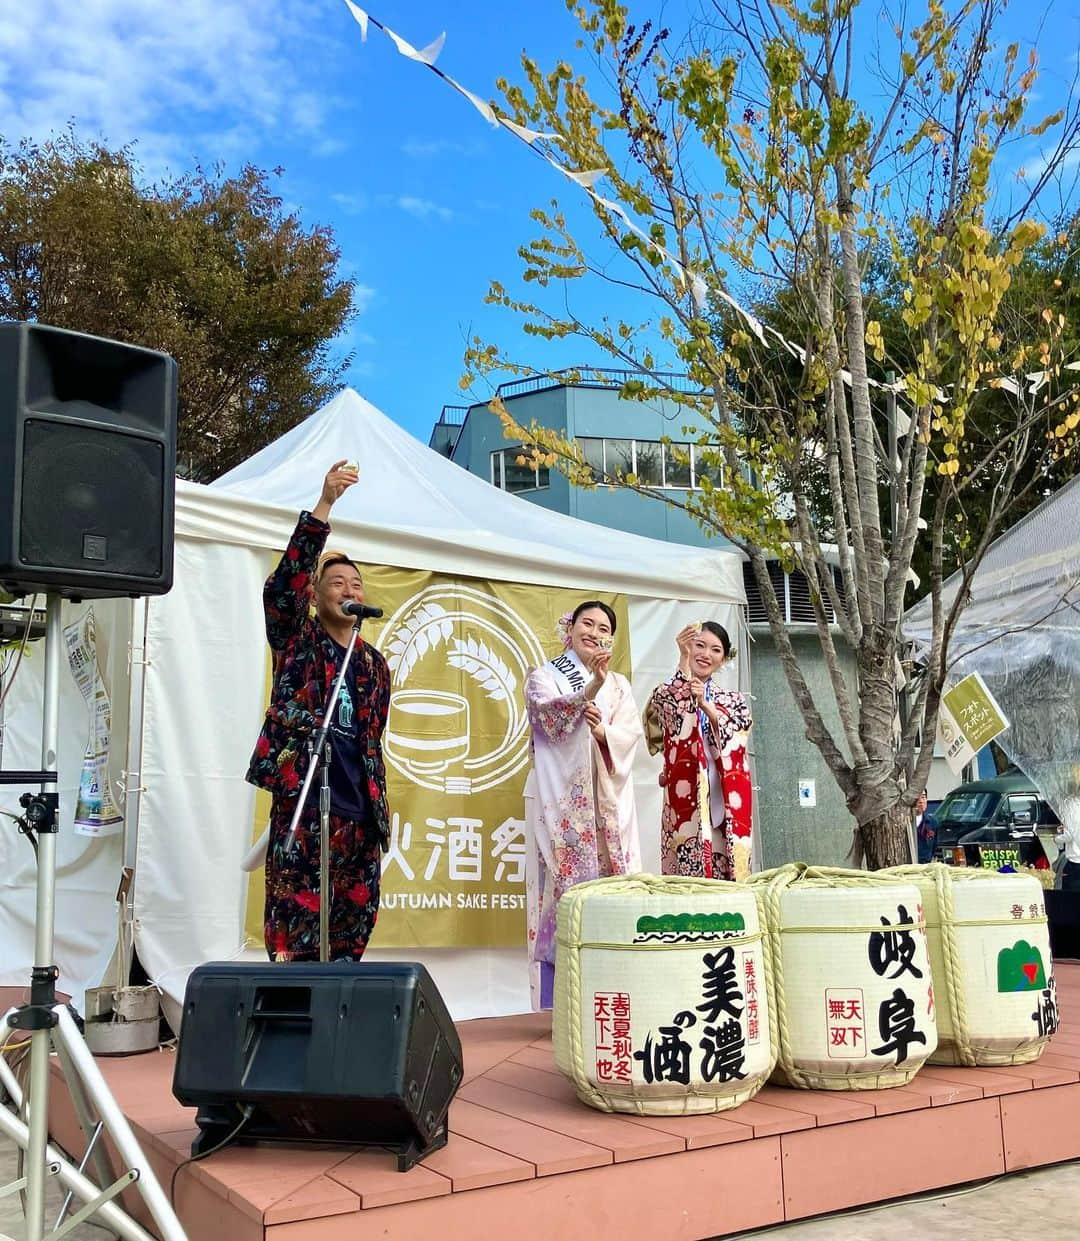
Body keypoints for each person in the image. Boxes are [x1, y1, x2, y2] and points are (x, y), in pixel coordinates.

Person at [246, 460, 390, 962]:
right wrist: (325, 504)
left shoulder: (374, 665)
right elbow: (281, 589)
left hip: (359, 813)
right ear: (315, 595)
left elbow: (373, 740)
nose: (350, 590)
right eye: (337, 583)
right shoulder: (298, 640)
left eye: (356, 584)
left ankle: (343, 1022)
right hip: (305, 803)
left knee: (352, 929)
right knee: (296, 928)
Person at [524, 601, 643, 1008]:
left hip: (607, 796)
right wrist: (589, 688)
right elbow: (547, 718)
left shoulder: (621, 684)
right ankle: (564, 998)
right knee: (564, 885)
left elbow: (630, 733)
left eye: (603, 626)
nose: (594, 631)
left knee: (615, 880)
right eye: (586, 623)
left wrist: (604, 730)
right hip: (564, 803)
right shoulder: (545, 675)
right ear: (570, 630)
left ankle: (614, 984)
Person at [649, 622, 753, 880]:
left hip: (723, 795)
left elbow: (739, 735)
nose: (706, 654)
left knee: (726, 868)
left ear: (723, 658)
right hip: (685, 796)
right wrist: (683, 662)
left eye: (715, 649)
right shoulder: (668, 691)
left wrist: (707, 707)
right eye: (699, 645)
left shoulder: (734, 701)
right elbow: (665, 708)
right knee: (686, 872)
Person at [914, 789, 938, 864]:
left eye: (923, 797)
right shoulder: (905, 822)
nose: (921, 801)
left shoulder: (932, 822)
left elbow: (935, 846)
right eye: (918, 798)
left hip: (926, 866)